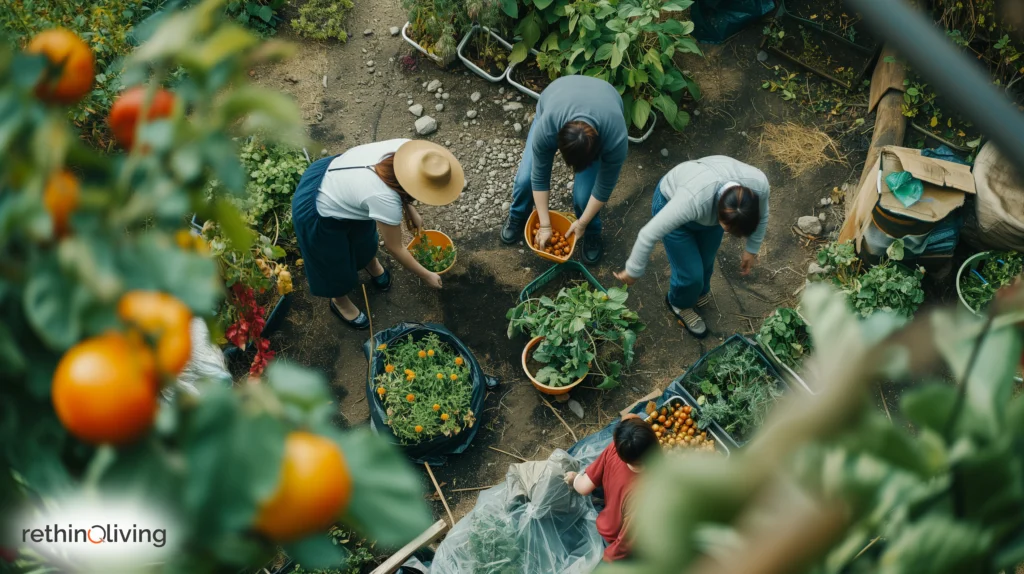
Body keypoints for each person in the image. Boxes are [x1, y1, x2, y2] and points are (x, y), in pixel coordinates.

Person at [292, 139, 464, 329]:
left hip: (348, 186)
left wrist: (410, 210)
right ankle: (339, 302)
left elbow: (399, 180)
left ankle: (369, 262)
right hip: (317, 207)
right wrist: (426, 275)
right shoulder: (383, 198)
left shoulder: (408, 149)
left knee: (363, 236)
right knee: (333, 262)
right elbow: (395, 248)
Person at [614, 156, 769, 338]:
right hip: (670, 202)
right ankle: (679, 303)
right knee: (691, 274)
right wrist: (633, 271)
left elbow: (763, 215)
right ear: (719, 216)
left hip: (705, 211)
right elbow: (648, 234)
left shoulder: (758, 185)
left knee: (707, 260)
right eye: (728, 230)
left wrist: (751, 249)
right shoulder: (691, 201)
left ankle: (698, 292)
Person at [500, 75, 628, 264]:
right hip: (557, 95)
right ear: (557, 142)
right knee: (524, 180)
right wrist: (544, 225)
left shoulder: (615, 138)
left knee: (584, 197)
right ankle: (518, 215)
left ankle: (591, 231)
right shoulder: (549, 125)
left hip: (606, 99)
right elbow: (539, 175)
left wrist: (582, 222)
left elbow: (603, 187)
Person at [564, 415, 658, 563]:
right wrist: (609, 558)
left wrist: (574, 478)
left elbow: (583, 488)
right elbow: (626, 542)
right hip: (615, 534)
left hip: (611, 514)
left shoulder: (614, 449)